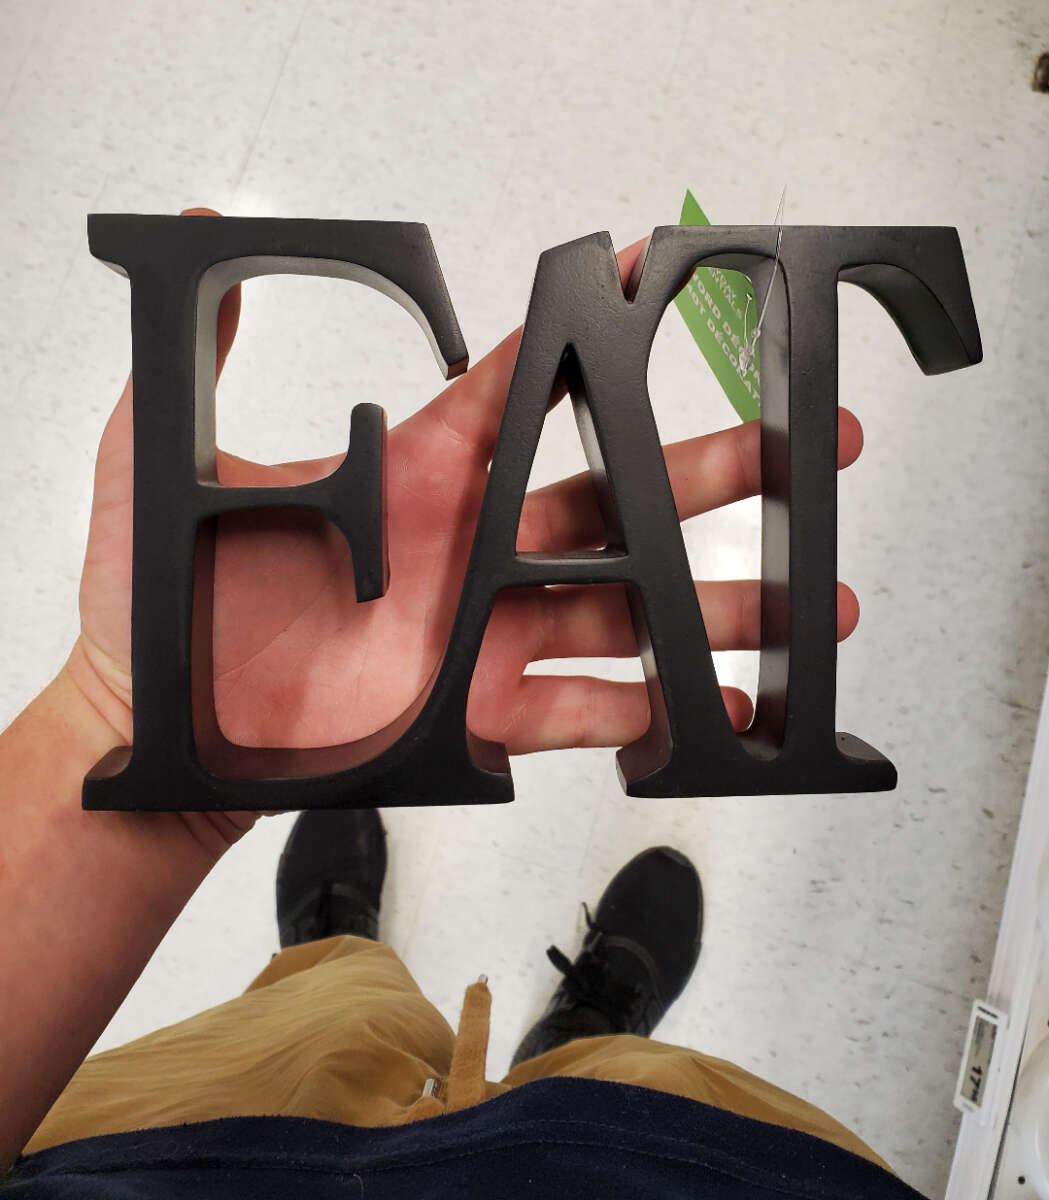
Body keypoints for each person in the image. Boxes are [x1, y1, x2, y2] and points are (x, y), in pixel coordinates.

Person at [0, 211, 924, 1198]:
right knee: (613, 1090)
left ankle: (334, 961)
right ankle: (577, 1041)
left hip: (195, 1141)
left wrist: (125, 722)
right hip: (661, 1167)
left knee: (324, 1031)